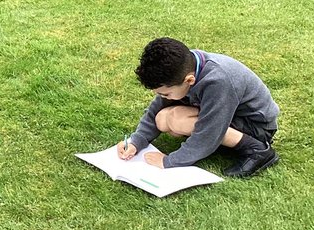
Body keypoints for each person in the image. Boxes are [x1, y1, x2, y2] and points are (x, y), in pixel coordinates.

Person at [118, 37, 280, 179]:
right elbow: (156, 108)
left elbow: (208, 132)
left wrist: (170, 161)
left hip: (255, 126)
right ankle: (220, 145)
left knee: (178, 120)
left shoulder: (218, 81)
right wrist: (137, 141)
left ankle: (258, 150)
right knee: (162, 119)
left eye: (166, 94)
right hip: (226, 115)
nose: (163, 97)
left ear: (189, 80)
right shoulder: (184, 65)